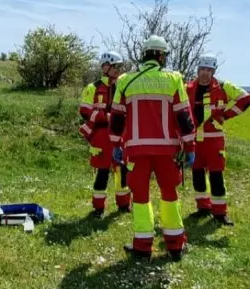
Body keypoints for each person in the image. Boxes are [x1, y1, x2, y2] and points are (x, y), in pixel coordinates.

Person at [110, 35, 196, 262]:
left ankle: (142, 247)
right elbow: (184, 117)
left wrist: (115, 144)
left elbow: (117, 118)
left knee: (140, 197)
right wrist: (190, 146)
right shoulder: (174, 79)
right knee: (170, 195)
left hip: (136, 151)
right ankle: (175, 246)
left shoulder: (125, 80)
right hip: (167, 152)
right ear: (160, 55)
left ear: (145, 54)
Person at [185, 54, 250, 226]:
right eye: (202, 69)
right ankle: (203, 208)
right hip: (195, 140)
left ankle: (220, 213)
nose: (204, 73)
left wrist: (226, 116)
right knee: (197, 175)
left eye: (208, 70)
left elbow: (246, 99)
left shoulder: (223, 87)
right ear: (197, 70)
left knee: (216, 176)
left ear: (213, 71)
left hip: (214, 139)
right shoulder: (188, 87)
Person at [78, 51, 132, 218]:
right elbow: (85, 111)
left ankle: (124, 204)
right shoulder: (92, 88)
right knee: (102, 172)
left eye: (120, 66)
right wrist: (105, 116)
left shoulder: (124, 87)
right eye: (116, 66)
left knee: (122, 170)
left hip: (120, 134)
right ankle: (98, 208)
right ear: (105, 67)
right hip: (101, 135)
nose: (119, 70)